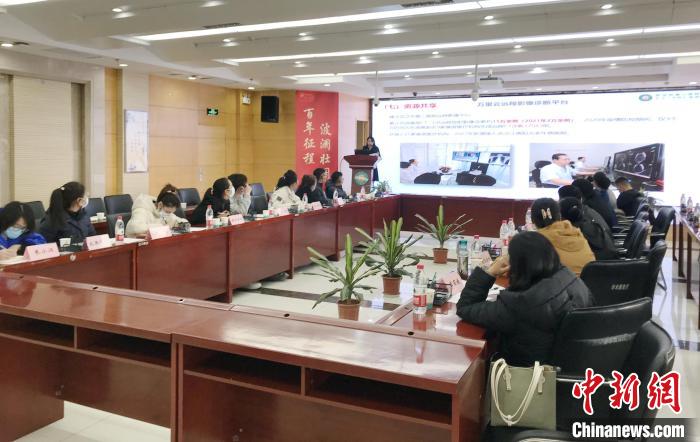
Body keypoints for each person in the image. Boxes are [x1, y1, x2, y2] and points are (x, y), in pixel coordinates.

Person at [456, 231, 593, 367]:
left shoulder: (519, 303)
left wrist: (489, 273)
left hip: (529, 375)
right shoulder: (573, 280)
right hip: (576, 366)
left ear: (518, 265)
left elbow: (465, 307)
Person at [531, 198, 595, 276]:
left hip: (562, 283)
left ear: (532, 220)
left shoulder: (536, 242)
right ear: (560, 216)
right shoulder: (576, 233)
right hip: (588, 282)